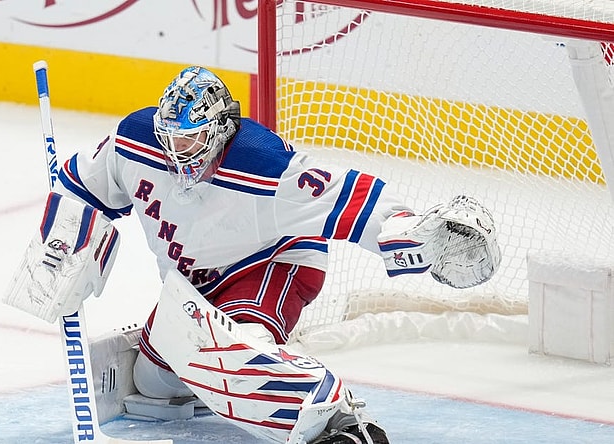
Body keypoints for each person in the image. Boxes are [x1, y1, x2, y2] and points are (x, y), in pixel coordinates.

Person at [42, 66, 500, 444]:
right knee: (152, 386)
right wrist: (69, 244)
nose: (178, 154)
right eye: (171, 139)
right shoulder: (134, 141)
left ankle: (340, 421)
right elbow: (78, 185)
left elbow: (348, 198)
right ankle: (214, 372)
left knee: (234, 355)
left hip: (272, 264)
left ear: (220, 132)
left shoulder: (263, 165)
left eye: (191, 141)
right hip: (194, 283)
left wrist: (411, 234)